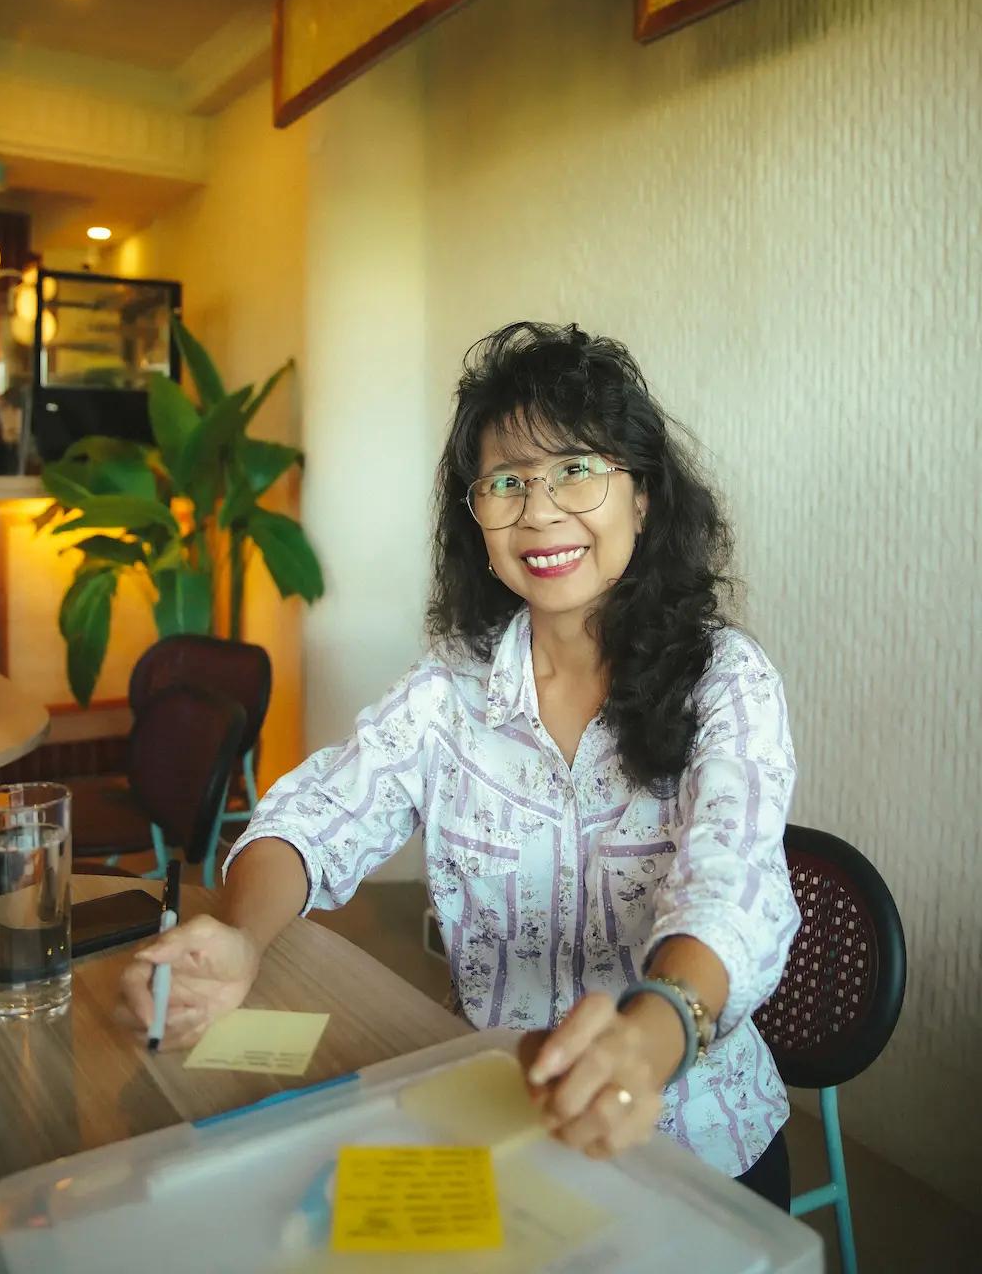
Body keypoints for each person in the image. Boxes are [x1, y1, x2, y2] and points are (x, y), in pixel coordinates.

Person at [117, 321, 799, 1209]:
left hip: (700, 1150)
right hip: (498, 1128)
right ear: (476, 519)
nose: (542, 512)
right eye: (507, 483)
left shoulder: (726, 679)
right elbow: (313, 818)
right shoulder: (451, 691)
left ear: (643, 496)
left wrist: (656, 1028)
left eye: (577, 471)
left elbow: (732, 885)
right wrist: (241, 938)